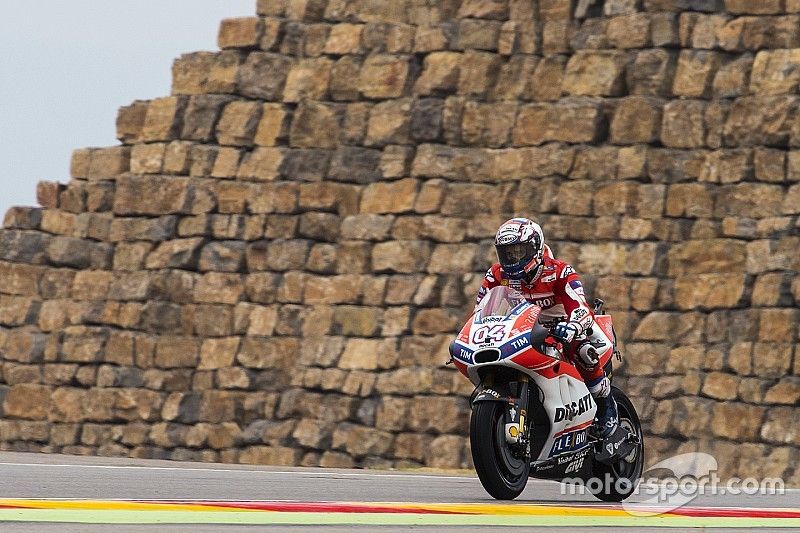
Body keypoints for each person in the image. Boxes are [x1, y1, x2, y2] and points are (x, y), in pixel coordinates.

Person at [476, 217, 629, 457]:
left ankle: (607, 407)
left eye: (519, 251)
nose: (513, 259)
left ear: (536, 247)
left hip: (565, 326)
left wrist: (573, 325)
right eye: (507, 253)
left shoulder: (558, 271)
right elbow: (480, 309)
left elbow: (580, 305)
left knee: (583, 351)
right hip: (524, 329)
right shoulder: (496, 275)